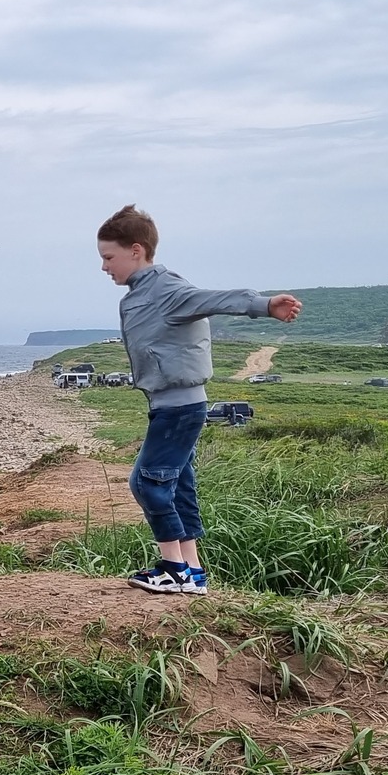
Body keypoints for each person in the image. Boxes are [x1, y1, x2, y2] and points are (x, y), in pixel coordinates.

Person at [97, 205, 302, 594]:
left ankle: (172, 569)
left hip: (179, 406)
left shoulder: (166, 290)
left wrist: (264, 305)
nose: (105, 267)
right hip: (169, 403)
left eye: (109, 257)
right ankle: (192, 570)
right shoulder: (140, 294)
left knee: (146, 483)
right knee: (179, 484)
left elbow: (213, 298)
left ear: (136, 251)